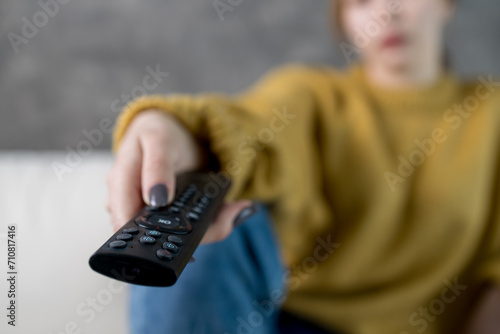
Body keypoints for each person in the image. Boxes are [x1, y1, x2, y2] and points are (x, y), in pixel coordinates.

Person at [105, 0, 500, 333]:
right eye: (362, 0)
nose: (387, 13)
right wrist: (173, 130)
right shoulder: (312, 95)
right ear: (344, 21)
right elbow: (250, 134)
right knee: (212, 222)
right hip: (288, 320)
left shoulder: (490, 114)